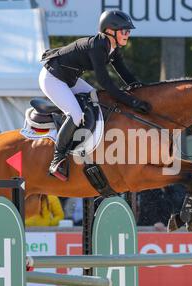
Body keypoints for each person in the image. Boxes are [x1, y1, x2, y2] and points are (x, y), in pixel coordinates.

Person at [39, 10, 151, 181]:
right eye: (124, 31)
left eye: (128, 31)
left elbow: (125, 73)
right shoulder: (98, 46)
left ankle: (87, 144)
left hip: (70, 78)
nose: (127, 34)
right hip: (52, 78)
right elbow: (106, 83)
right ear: (109, 31)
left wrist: (141, 89)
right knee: (76, 115)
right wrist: (132, 101)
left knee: (97, 98)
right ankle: (57, 159)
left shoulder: (112, 48)